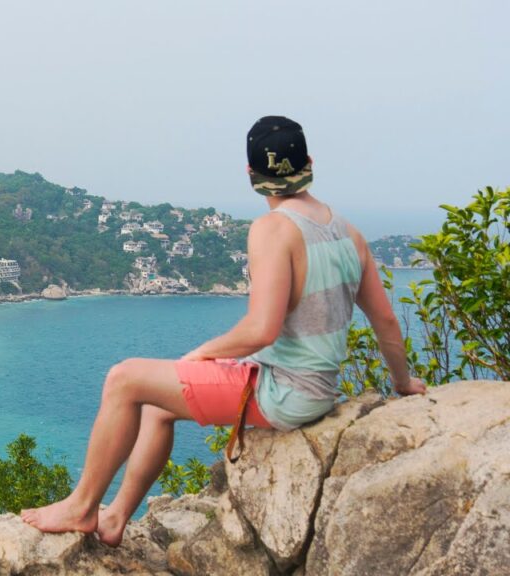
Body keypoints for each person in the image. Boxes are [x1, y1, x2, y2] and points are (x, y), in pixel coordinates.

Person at [21, 116, 426, 546]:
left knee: (124, 379)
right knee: (158, 406)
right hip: (319, 390)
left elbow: (262, 329)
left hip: (284, 392)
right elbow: (386, 320)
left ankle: (82, 507)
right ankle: (116, 517)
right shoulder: (349, 234)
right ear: (308, 162)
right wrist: (403, 382)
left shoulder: (273, 229)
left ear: (251, 175)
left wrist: (203, 352)